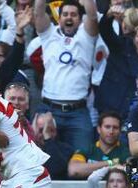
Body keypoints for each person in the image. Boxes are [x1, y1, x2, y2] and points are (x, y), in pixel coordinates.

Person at [34, 0, 99, 151]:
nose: (69, 18)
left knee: (81, 161)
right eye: (65, 14)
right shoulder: (48, 34)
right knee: (44, 161)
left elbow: (92, 15)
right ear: (59, 17)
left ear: (80, 18)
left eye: (74, 15)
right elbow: (38, 11)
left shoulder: (87, 37)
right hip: (49, 109)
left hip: (78, 113)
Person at [68, 111, 130, 179]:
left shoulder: (126, 152)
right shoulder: (86, 150)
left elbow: (130, 173)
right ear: (99, 129)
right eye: (107, 127)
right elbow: (73, 170)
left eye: (115, 128)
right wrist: (110, 163)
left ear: (120, 131)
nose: (111, 131)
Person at [32, 111, 74, 180]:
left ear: (54, 132)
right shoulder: (28, 149)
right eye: (40, 130)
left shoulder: (65, 149)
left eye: (46, 129)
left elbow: (57, 170)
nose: (43, 133)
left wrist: (47, 138)